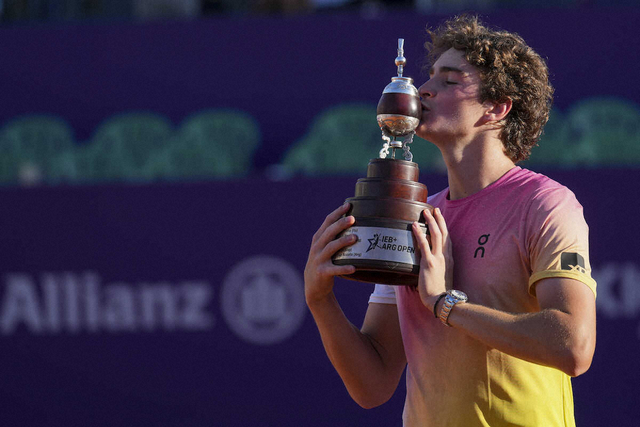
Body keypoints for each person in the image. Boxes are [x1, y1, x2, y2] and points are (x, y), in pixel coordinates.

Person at [304, 14, 597, 427]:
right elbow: (372, 385)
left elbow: (574, 347)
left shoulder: (545, 203)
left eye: (450, 80)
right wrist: (321, 301)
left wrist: (445, 304)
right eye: (430, 77)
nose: (424, 89)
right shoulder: (412, 218)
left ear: (497, 108)